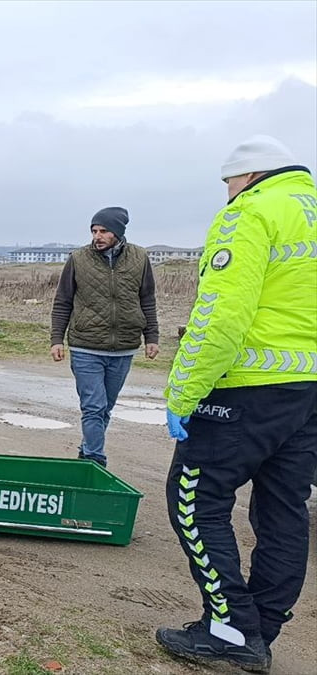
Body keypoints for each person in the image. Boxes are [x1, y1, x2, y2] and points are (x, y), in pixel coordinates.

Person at [156, 135, 317, 671]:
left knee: (194, 500)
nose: (226, 192)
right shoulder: (310, 213)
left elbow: (219, 316)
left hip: (244, 387)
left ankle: (231, 629)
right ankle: (261, 629)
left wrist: (183, 391)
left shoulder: (249, 213)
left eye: (228, 182)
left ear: (247, 175)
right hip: (307, 393)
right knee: (283, 511)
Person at [49, 207, 159, 467]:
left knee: (104, 408)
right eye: (94, 231)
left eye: (104, 231)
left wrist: (151, 337)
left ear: (118, 232)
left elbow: (147, 299)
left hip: (124, 347)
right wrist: (57, 339)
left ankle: (87, 451)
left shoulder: (140, 258)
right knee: (94, 407)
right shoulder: (78, 259)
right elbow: (62, 301)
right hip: (86, 346)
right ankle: (96, 460)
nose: (97, 236)